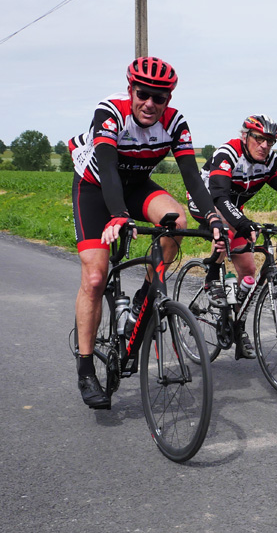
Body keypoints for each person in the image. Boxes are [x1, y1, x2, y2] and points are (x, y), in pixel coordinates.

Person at [69, 56, 223, 409]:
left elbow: (192, 177)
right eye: (143, 94)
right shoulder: (110, 112)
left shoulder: (175, 123)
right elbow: (108, 169)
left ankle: (145, 295)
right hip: (95, 188)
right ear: (131, 90)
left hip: (136, 186)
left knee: (178, 221)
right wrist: (118, 215)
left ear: (169, 99)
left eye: (160, 97)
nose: (150, 103)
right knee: (95, 278)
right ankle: (86, 369)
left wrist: (213, 218)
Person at [188, 114, 277, 360]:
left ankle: (237, 324)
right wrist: (242, 223)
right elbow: (219, 196)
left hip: (232, 208)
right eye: (259, 139)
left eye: (270, 141)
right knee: (229, 228)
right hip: (206, 202)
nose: (264, 145)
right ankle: (211, 276)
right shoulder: (228, 153)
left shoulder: (270, 161)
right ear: (245, 136)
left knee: (249, 269)